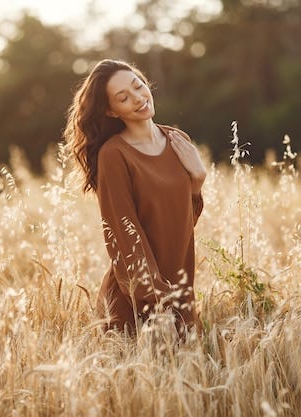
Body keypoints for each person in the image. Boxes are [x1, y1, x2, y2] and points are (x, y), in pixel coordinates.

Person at [63, 59, 207, 337]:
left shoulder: (178, 140)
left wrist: (198, 180)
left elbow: (181, 225)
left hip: (180, 295)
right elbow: (123, 235)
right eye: (123, 97)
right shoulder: (114, 155)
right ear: (111, 111)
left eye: (138, 86)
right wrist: (158, 300)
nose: (138, 98)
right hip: (137, 302)